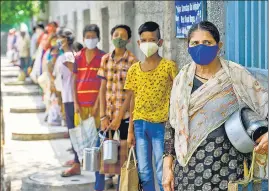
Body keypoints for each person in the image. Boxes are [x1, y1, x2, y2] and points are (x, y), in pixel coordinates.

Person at [162, 21, 268, 191]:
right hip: (189, 165)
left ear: (219, 46)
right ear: (188, 47)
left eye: (208, 43)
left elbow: (264, 104)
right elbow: (172, 124)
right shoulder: (182, 80)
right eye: (195, 43)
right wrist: (167, 167)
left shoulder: (236, 75)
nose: (201, 47)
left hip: (231, 163)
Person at [124, 21, 178, 191]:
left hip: (162, 125)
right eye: (144, 40)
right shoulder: (133, 70)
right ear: (139, 43)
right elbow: (132, 100)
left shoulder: (169, 67)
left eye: (152, 40)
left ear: (160, 42)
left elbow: (178, 96)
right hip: (140, 125)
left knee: (163, 170)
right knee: (144, 171)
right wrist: (130, 131)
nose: (148, 44)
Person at [97, 24, 138, 191]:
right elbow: (102, 88)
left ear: (128, 40)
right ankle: (103, 184)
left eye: (123, 36)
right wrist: (102, 116)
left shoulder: (133, 61)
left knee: (123, 155)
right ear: (111, 37)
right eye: (116, 34)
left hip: (125, 116)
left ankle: (122, 186)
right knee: (105, 154)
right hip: (107, 116)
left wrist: (119, 117)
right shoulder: (105, 59)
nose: (119, 38)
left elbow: (131, 93)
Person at [51, 28, 77, 176]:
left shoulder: (67, 56)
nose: (57, 42)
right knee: (71, 129)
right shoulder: (65, 55)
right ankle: (76, 159)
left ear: (66, 40)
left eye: (60, 39)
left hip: (71, 97)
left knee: (73, 129)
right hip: (67, 96)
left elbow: (75, 74)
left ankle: (77, 162)